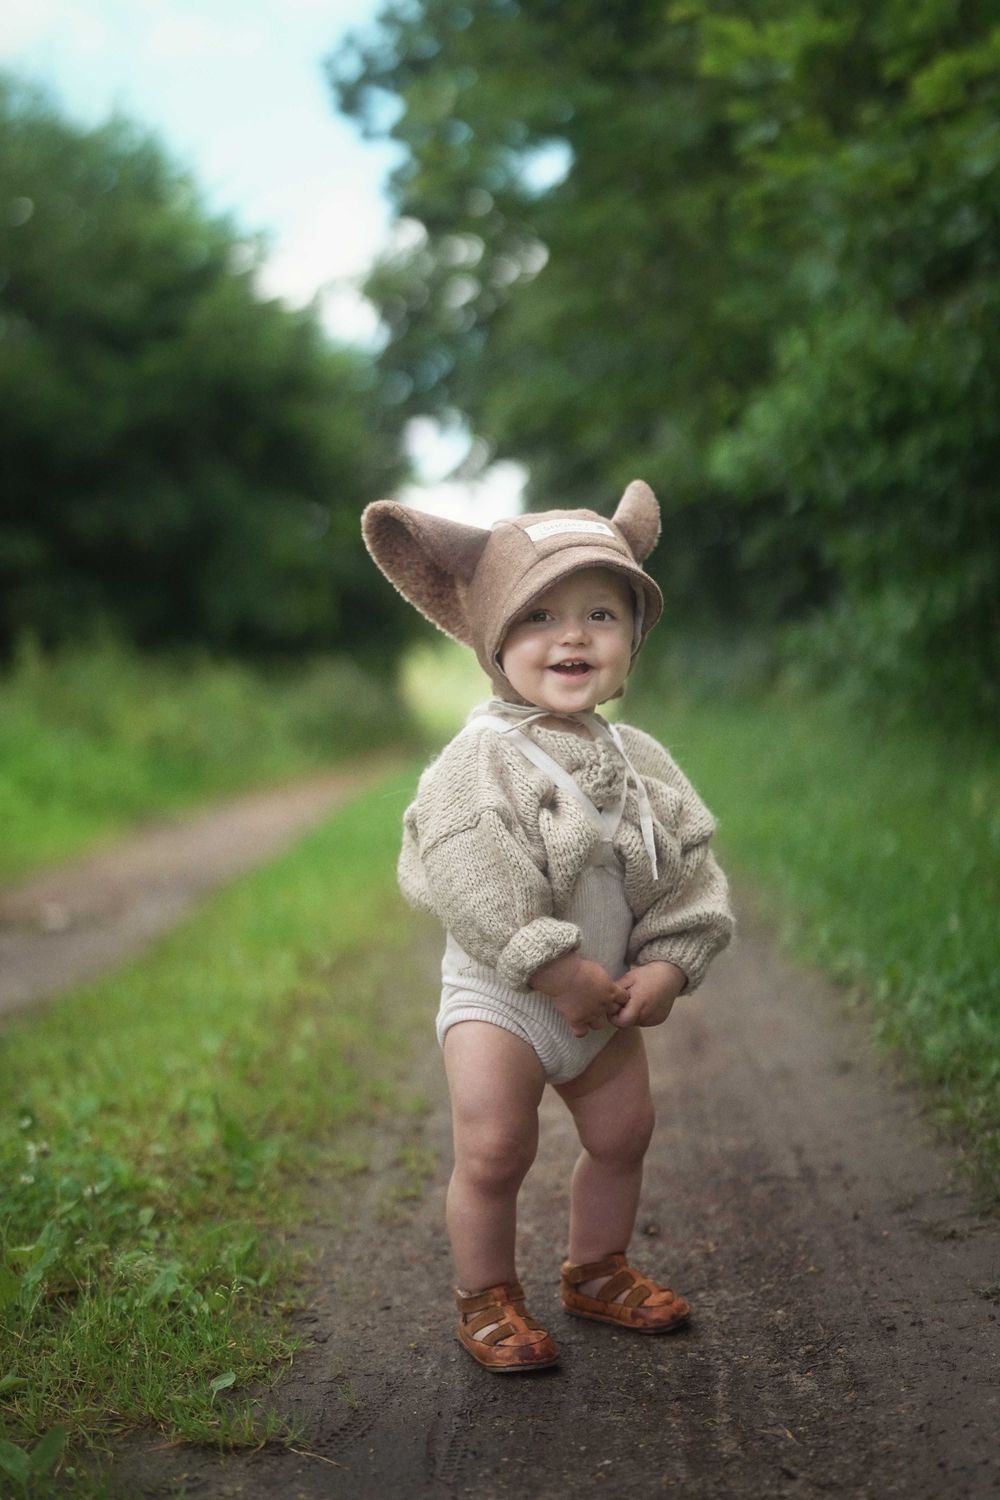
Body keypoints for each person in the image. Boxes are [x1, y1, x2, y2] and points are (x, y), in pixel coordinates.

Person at [362, 480, 734, 1372]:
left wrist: (673, 962)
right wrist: (549, 963)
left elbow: (691, 865)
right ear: (493, 640)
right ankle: (485, 1294)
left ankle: (595, 1268)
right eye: (537, 617)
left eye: (601, 613)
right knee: (496, 1146)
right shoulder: (480, 759)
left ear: (632, 641)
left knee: (622, 1135)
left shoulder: (639, 761)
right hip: (506, 999)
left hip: (602, 1003)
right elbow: (464, 870)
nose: (572, 636)